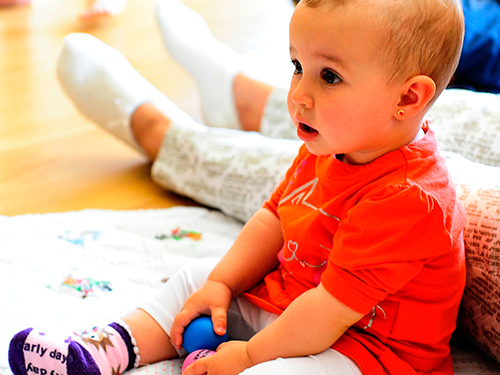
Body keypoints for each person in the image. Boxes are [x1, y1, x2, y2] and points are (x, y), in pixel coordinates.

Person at [8, 0, 466, 374]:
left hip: (369, 352)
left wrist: (249, 356)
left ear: (408, 98)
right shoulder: (331, 141)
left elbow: (329, 311)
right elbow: (274, 218)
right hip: (297, 306)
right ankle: (103, 351)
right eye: (296, 66)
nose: (299, 95)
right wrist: (222, 283)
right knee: (196, 279)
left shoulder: (410, 200)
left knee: (277, 372)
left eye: (329, 76)